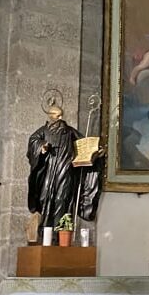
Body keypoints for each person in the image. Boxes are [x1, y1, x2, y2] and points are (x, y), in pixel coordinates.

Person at [27, 100, 104, 239]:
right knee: (45, 197)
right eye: (57, 116)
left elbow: (84, 144)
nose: (61, 119)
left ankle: (59, 234)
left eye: (61, 116)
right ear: (50, 116)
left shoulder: (69, 131)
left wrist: (96, 152)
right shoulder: (43, 131)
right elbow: (33, 141)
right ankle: (44, 232)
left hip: (65, 169)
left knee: (62, 198)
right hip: (49, 170)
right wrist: (41, 147)